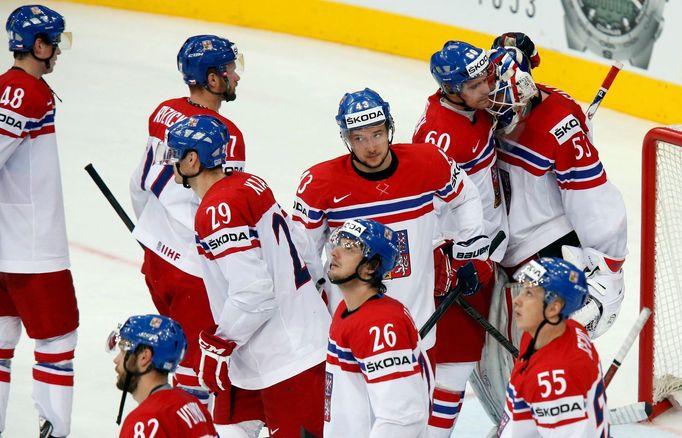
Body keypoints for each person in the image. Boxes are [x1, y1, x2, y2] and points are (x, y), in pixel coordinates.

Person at [290, 87, 488, 365]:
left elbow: (465, 197)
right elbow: (302, 250)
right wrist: (317, 294)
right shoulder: (319, 184)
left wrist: (469, 253)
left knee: (414, 408)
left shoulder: (428, 162)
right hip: (350, 328)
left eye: (377, 134)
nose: (370, 147)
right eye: (359, 138)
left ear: (390, 129)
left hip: (418, 324)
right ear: (346, 139)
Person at [161, 114, 330, 437]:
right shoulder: (250, 184)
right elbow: (302, 244)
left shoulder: (216, 211)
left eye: (176, 155)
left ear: (193, 160)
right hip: (255, 360)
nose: (172, 164)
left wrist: (218, 345)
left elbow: (254, 292)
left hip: (291, 361)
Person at [128, 35, 264, 436]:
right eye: (229, 70)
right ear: (212, 79)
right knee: (197, 372)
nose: (236, 75)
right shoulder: (226, 134)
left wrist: (153, 234)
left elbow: (138, 183)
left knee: (171, 354)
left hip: (156, 258)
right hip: (194, 271)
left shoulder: (163, 113)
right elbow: (227, 207)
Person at [412, 40, 505, 436]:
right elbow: (421, 209)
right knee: (452, 367)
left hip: (486, 252)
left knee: (461, 362)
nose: (487, 88)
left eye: (486, 77)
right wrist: (445, 262)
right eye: (475, 84)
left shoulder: (474, 106)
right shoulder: (438, 137)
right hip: (461, 260)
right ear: (451, 90)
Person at [0, 5, 77, 437]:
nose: (58, 53)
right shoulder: (27, 91)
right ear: (38, 45)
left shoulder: (6, 87)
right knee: (57, 341)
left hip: (5, 246)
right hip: (34, 249)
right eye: (55, 43)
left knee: (1, 345)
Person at [324, 219, 430, 437]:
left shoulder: (380, 323)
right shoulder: (348, 308)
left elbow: (403, 418)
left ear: (371, 267)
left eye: (349, 248)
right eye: (338, 243)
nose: (335, 253)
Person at [498, 257, 609, 437]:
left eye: (529, 294)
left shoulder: (556, 379)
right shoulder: (548, 332)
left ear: (553, 309)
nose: (517, 300)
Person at [107, 314, 218, 437]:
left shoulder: (145, 423)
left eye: (123, 350)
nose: (116, 360)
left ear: (144, 357)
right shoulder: (195, 407)